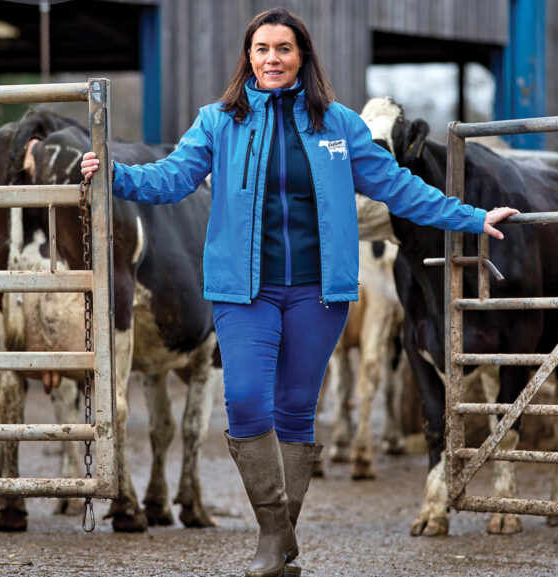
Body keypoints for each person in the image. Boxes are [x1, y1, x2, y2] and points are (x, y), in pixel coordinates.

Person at [81, 7, 517, 577]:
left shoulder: (338, 125)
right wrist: (114, 173)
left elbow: (399, 186)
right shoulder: (218, 122)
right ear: (249, 58)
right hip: (244, 292)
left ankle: (276, 548)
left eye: (283, 49)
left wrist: (470, 216)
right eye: (261, 49)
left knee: (294, 412)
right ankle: (275, 534)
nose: (272, 59)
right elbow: (171, 177)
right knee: (245, 404)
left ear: (301, 57)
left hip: (319, 292)